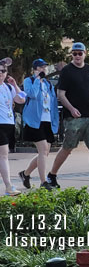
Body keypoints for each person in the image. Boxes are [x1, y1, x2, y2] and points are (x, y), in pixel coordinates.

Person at [47, 42, 89, 187]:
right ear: (72, 55)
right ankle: (52, 174)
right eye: (74, 53)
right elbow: (61, 94)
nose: (77, 56)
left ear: (85, 54)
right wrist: (71, 108)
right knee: (68, 148)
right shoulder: (67, 71)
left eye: (80, 53)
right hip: (74, 117)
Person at [19, 59, 59, 191]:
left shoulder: (48, 84)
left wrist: (54, 120)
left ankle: (25, 174)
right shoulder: (29, 81)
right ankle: (43, 182)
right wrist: (37, 80)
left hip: (47, 120)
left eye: (45, 67)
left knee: (45, 152)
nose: (44, 69)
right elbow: (32, 94)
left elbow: (52, 103)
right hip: (34, 121)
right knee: (42, 150)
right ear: (35, 69)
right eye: (41, 67)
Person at [0, 57, 26, 195]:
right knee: (3, 155)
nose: (1, 73)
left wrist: (15, 85)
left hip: (8, 124)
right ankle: (9, 186)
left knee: (4, 155)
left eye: (3, 71)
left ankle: (8, 186)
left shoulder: (8, 87)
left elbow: (21, 99)